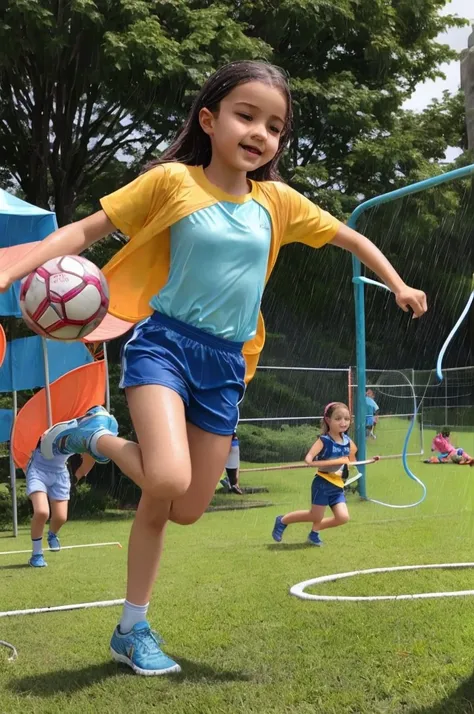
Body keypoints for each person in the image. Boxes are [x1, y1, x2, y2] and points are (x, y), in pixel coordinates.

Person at [0, 60, 427, 675]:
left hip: (226, 366)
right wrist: (15, 271)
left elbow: (350, 238)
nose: (260, 133)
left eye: (274, 126)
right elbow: (85, 230)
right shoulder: (172, 182)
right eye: (246, 115)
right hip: (165, 346)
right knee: (166, 478)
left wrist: (398, 283)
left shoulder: (277, 202)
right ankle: (92, 435)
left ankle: (127, 631)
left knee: (183, 506)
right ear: (210, 118)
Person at [271, 402, 359, 545]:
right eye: (338, 419)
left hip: (337, 485)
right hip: (322, 484)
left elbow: (352, 459)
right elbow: (308, 460)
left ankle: (314, 533)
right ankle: (282, 520)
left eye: (347, 419)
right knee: (315, 515)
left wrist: (369, 460)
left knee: (343, 517)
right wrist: (336, 461)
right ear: (328, 420)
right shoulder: (323, 440)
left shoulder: (348, 441)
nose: (343, 422)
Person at [25, 413, 101, 567]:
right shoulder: (55, 421)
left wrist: (78, 475)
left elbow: (90, 457)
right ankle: (37, 555)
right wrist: (48, 432)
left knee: (60, 517)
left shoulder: (83, 435)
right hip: (38, 470)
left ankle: (52, 534)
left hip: (60, 474)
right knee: (42, 512)